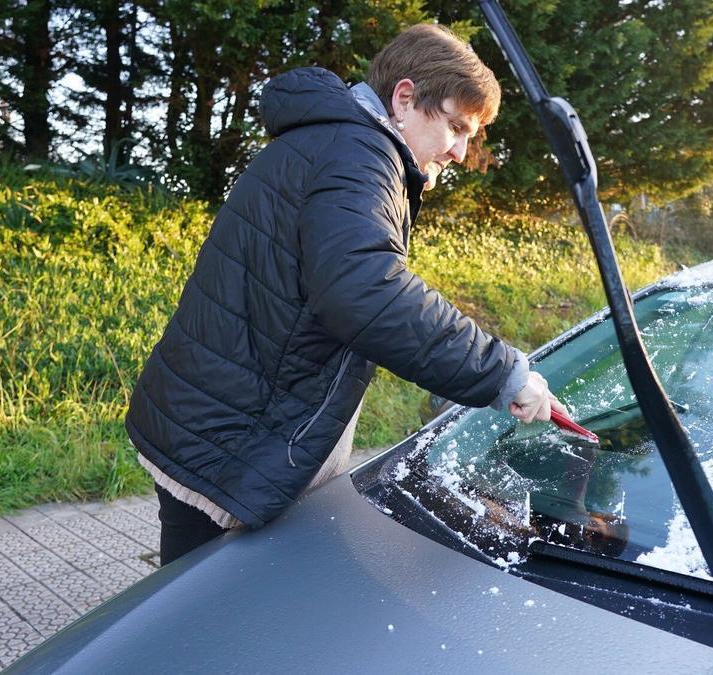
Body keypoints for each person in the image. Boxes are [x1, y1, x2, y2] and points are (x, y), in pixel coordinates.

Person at [125, 23, 567, 565]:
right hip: (231, 440)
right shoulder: (359, 154)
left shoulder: (331, 141)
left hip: (211, 419)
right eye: (455, 127)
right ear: (404, 98)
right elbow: (365, 290)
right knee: (206, 622)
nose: (459, 152)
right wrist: (502, 374)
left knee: (200, 604)